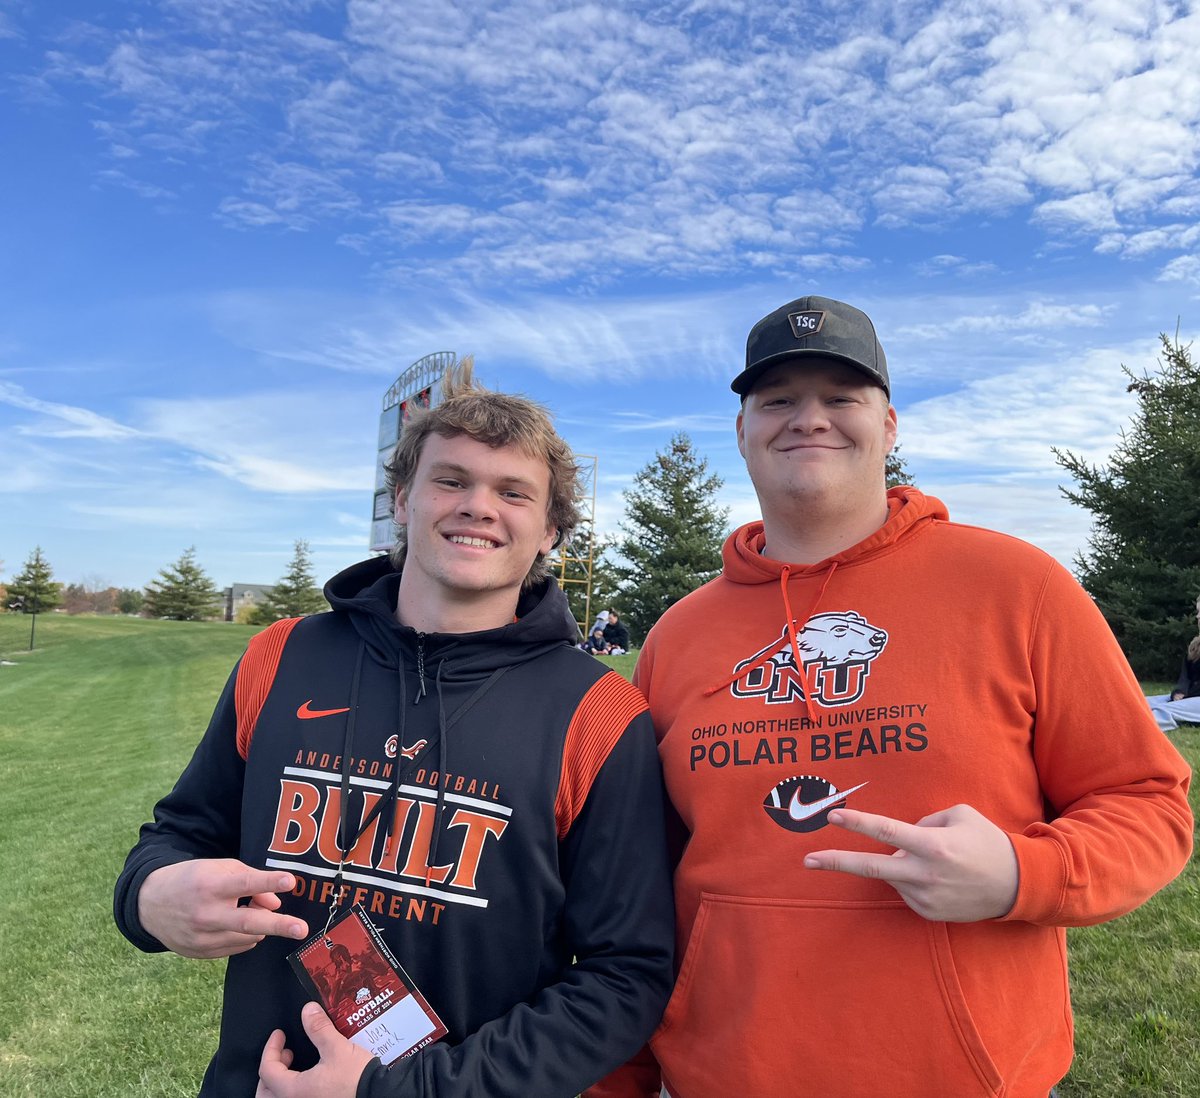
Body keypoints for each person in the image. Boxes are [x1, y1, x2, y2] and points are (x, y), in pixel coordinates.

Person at [589, 296, 1193, 1098]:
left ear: (891, 425)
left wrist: (1024, 874)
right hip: (719, 1075)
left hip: (965, 1079)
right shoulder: (677, 635)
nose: (810, 419)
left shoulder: (1017, 587)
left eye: (842, 398)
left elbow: (1148, 802)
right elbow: (638, 886)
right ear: (742, 432)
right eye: (778, 400)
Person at [115, 360, 674, 1098]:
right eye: (451, 480)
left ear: (551, 533)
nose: (478, 506)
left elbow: (624, 977)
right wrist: (148, 897)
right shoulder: (282, 655)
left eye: (513, 492)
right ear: (403, 499)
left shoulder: (600, 715)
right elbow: (181, 832)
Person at [1147, 595, 1200, 730]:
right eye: (1198, 612)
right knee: (1143, 702)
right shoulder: (1196, 645)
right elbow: (1186, 675)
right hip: (1190, 697)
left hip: (1195, 699)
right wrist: (1179, 691)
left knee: (1162, 711)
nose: (1198, 617)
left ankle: (1133, 727)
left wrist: (1187, 697)